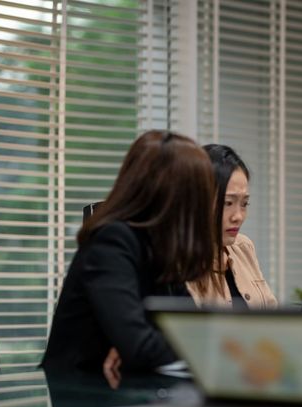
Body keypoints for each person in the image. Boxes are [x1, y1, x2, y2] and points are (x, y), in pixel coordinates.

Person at [42, 130, 221, 372]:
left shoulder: (159, 245)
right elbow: (141, 347)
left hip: (124, 385)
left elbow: (191, 329)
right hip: (80, 389)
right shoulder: (112, 241)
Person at [187, 144, 302, 347]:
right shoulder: (178, 261)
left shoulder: (243, 247)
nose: (238, 216)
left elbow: (273, 325)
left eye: (244, 204)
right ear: (199, 200)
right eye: (228, 203)